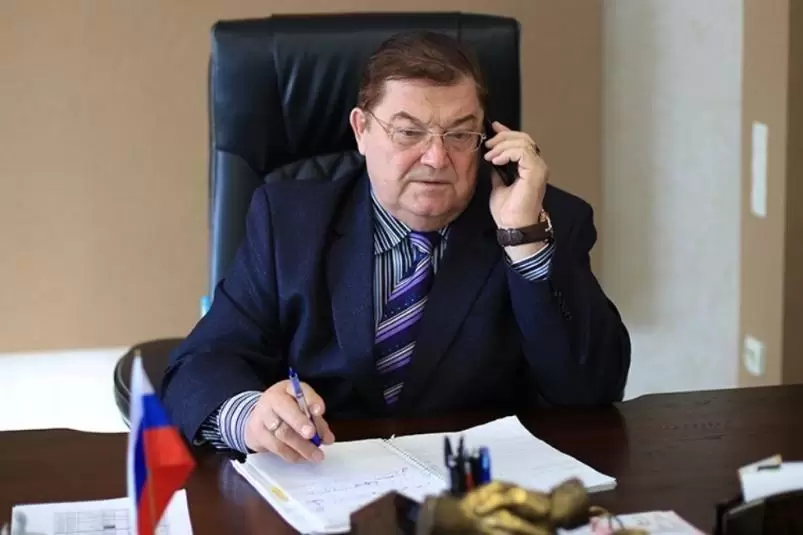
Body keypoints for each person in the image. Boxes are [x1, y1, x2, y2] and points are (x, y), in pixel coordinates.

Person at [160, 31, 631, 465]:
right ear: (361, 130)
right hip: (323, 479)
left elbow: (592, 392)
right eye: (409, 132)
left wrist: (524, 242)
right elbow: (199, 365)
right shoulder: (287, 222)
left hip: (475, 490)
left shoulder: (541, 220)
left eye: (460, 134)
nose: (436, 158)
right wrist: (251, 417)